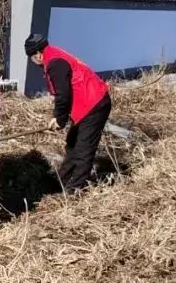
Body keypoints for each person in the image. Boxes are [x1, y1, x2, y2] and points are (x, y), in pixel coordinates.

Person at [24, 34, 112, 194]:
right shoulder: (53, 54)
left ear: (37, 54)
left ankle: (75, 191)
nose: (33, 62)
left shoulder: (54, 63)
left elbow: (63, 94)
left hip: (94, 104)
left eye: (31, 58)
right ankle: (60, 181)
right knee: (72, 144)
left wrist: (59, 119)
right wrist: (59, 117)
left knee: (84, 148)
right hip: (86, 105)